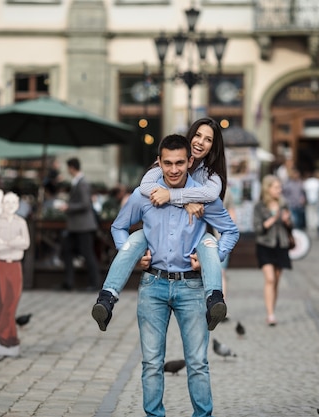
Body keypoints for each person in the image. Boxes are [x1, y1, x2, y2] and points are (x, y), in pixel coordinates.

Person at [108, 134, 239, 417]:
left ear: (190, 161)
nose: (174, 169)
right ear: (159, 162)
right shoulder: (143, 195)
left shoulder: (202, 197)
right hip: (152, 285)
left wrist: (212, 260)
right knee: (152, 362)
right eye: (167, 163)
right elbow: (118, 227)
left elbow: (231, 231)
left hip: (191, 288)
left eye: (180, 162)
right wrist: (131, 255)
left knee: (197, 362)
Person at [92, 117, 230, 331]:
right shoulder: (165, 163)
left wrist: (174, 196)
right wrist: (183, 201)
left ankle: (215, 299)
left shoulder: (211, 176)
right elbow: (146, 187)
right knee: (135, 239)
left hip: (195, 234)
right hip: (159, 237)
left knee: (210, 243)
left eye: (208, 139)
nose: (200, 142)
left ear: (214, 146)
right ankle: (107, 298)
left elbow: (211, 196)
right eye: (197, 135)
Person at [0, 192, 30, 347]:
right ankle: (9, 337)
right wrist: (14, 243)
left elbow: (25, 243)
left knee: (13, 299)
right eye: (7, 202)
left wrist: (5, 242)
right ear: (2, 204)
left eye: (13, 202)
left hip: (15, 264)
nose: (10, 206)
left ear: (18, 205)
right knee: (2, 300)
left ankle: (2, 333)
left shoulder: (21, 222)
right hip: (0, 263)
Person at [253, 175, 294, 326]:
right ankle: (270, 314)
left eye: (280, 187)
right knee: (269, 279)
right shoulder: (260, 206)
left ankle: (272, 311)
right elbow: (256, 228)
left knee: (276, 281)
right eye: (276, 187)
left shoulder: (284, 204)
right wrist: (268, 222)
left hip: (281, 245)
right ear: (267, 188)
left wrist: (287, 221)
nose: (279, 190)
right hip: (265, 245)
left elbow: (291, 227)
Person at [59, 157, 101, 291]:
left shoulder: (82, 183)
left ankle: (95, 284)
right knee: (66, 250)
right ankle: (68, 282)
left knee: (87, 254)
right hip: (77, 227)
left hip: (83, 226)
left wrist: (68, 207)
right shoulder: (78, 182)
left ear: (71, 167)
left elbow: (85, 204)